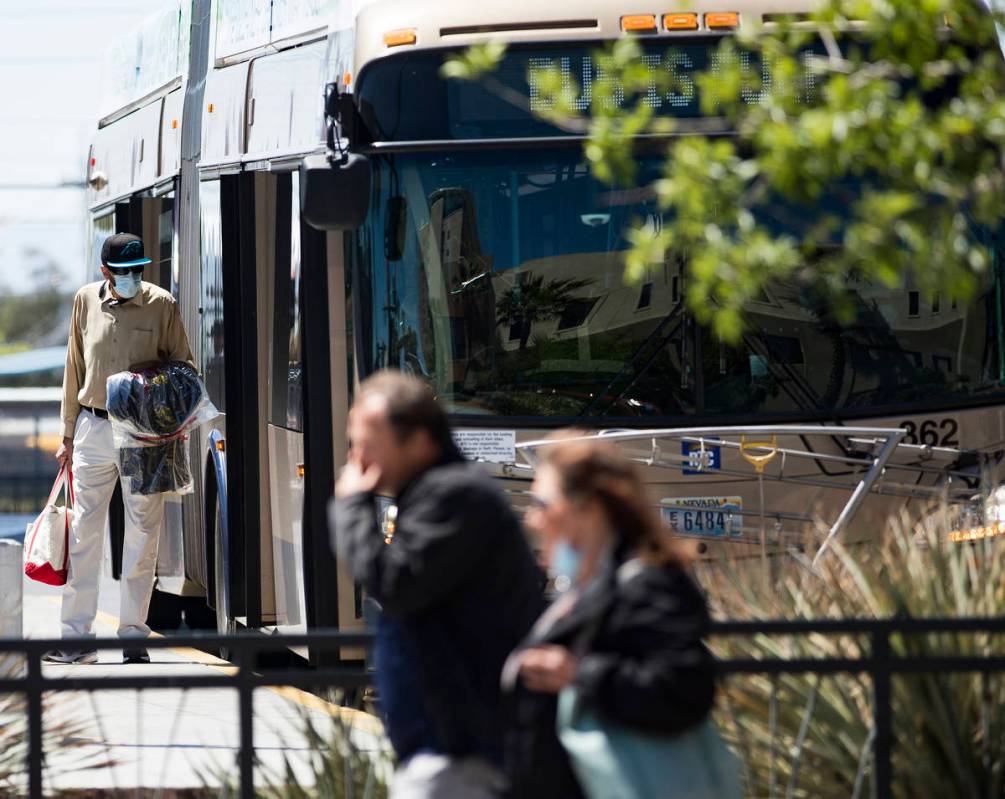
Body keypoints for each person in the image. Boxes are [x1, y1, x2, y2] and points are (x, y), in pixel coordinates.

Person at [329, 370, 544, 798]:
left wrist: (351, 506)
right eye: (355, 446)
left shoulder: (455, 497)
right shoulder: (433, 494)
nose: (358, 461)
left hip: (464, 750)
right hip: (446, 745)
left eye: (370, 446)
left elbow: (394, 582)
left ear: (420, 440)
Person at [501, 433, 717, 798]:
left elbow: (686, 686)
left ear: (589, 508)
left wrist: (577, 673)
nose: (533, 520)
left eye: (542, 503)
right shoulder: (588, 586)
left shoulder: (643, 583)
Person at [47, 233, 194, 665]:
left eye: (138, 271)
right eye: (124, 271)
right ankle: (77, 640)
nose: (133, 278)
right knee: (82, 533)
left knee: (143, 534)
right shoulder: (84, 301)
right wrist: (66, 435)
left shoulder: (162, 303)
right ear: (105, 272)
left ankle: (133, 636)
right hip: (93, 427)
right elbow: (73, 368)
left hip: (143, 432)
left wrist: (154, 387)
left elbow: (184, 368)